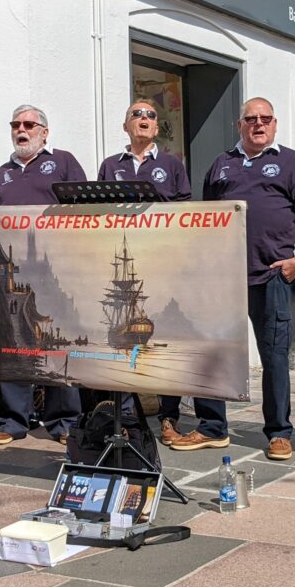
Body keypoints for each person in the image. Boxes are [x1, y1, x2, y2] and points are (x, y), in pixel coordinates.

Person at [172, 97, 295, 460]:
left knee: (274, 356)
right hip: (222, 278)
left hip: (271, 277)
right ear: (239, 125)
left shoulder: (292, 163)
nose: (258, 124)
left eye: (265, 119)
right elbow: (209, 217)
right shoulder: (221, 165)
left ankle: (278, 432)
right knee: (211, 353)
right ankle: (212, 427)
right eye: (250, 119)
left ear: (275, 124)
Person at [0, 104, 85, 446]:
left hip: (54, 268)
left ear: (45, 131)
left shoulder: (64, 162)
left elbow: (84, 211)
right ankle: (14, 421)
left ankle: (64, 422)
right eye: (15, 124)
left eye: (29, 124)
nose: (21, 129)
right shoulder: (3, 172)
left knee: (57, 342)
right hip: (11, 273)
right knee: (14, 342)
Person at [98, 98, 192, 446]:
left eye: (150, 115)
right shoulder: (111, 165)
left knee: (166, 334)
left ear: (156, 127)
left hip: (162, 255)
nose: (143, 118)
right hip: (125, 250)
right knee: (120, 349)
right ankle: (126, 418)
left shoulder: (171, 164)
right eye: (136, 114)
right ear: (126, 126)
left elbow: (184, 208)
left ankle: (169, 417)